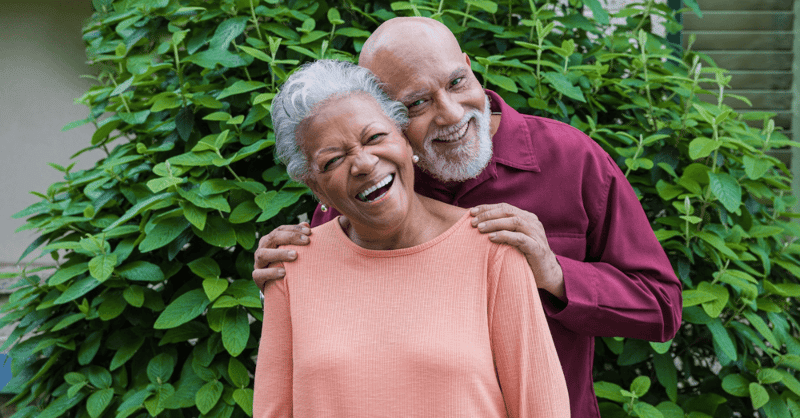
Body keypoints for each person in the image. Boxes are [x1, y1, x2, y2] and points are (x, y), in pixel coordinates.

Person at [254, 17, 682, 417]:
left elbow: (663, 307)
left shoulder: (570, 159)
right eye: (418, 102)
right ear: (392, 119)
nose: (453, 113)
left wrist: (555, 275)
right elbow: (333, 296)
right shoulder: (378, 184)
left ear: (470, 67)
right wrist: (283, 280)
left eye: (457, 82)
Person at [253, 59, 570, 417]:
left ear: (405, 140)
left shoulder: (493, 248)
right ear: (316, 187)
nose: (363, 164)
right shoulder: (290, 267)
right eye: (333, 160)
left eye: (375, 138)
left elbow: (542, 409)